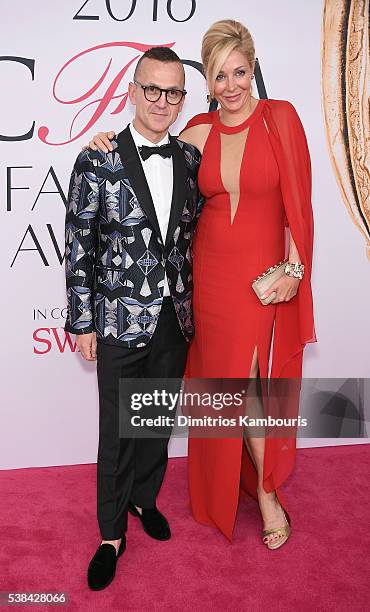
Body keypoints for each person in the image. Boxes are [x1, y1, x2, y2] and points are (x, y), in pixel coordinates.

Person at [88, 19, 316, 550]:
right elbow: (146, 145)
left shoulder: (281, 119)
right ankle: (234, 487)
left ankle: (265, 496)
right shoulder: (198, 130)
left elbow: (301, 209)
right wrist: (103, 140)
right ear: (207, 81)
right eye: (218, 76)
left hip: (261, 281)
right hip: (207, 282)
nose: (231, 86)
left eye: (239, 72)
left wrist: (296, 268)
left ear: (253, 68)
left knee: (254, 390)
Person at [64, 46, 203, 590]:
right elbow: (79, 244)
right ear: (132, 90)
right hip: (118, 318)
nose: (162, 101)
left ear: (182, 98)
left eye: (173, 92)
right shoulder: (98, 157)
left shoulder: (190, 159)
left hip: (173, 316)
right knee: (116, 430)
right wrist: (81, 320)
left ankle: (145, 500)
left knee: (154, 421)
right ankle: (111, 533)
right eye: (152, 89)